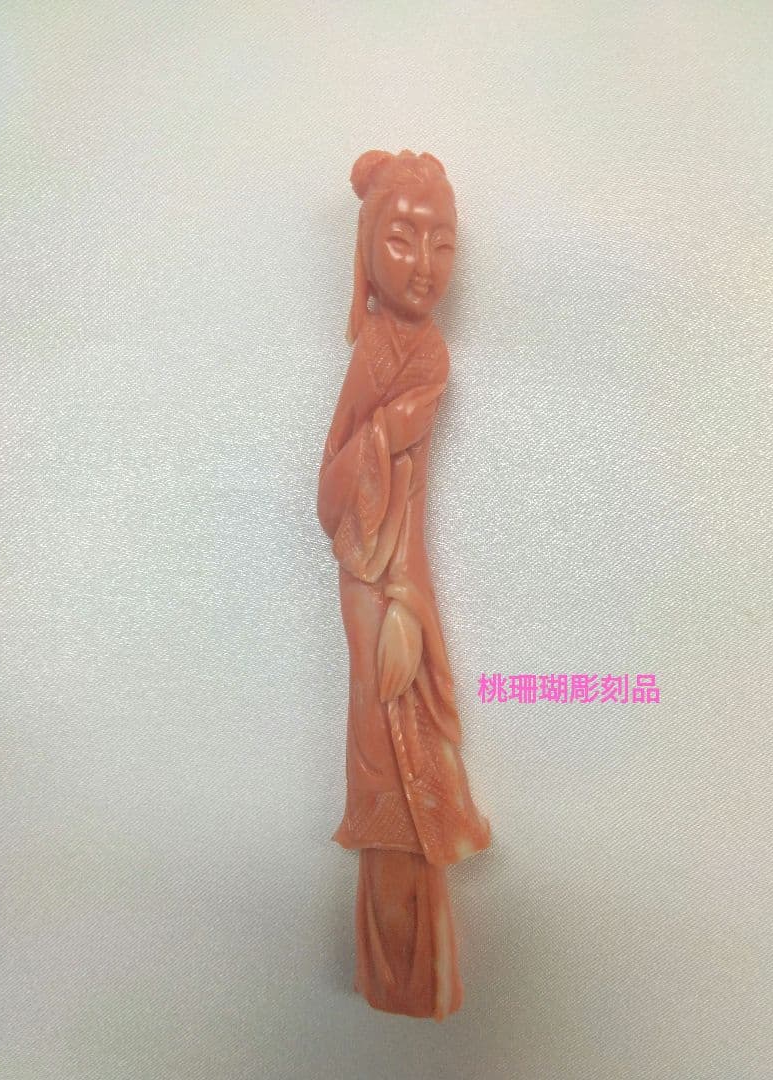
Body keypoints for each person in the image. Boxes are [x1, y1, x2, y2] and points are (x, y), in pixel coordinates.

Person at [317, 149, 490, 1020]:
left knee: (403, 750)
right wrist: (395, 604)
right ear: (366, 249)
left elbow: (395, 493)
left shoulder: (427, 353)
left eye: (442, 243)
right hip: (370, 580)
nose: (425, 265)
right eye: (402, 239)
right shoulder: (380, 354)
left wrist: (411, 607)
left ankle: (412, 968)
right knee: (382, 755)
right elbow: (331, 497)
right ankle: (397, 970)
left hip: (395, 581)